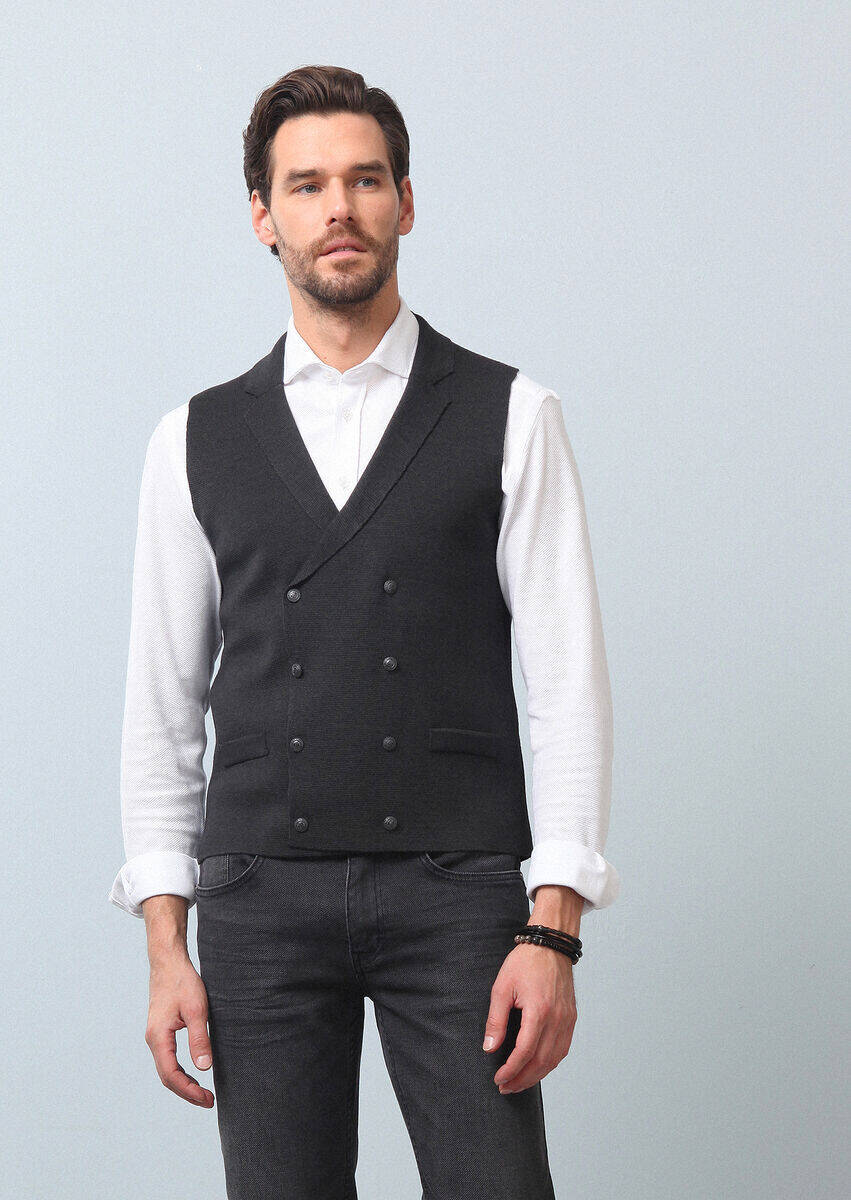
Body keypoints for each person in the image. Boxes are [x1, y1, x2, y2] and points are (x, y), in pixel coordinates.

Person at [108, 64, 620, 1200]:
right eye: (305, 185)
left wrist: (552, 930)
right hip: (257, 902)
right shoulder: (191, 439)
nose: (337, 208)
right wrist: (165, 946)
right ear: (263, 216)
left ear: (404, 202)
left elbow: (565, 689)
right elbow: (161, 707)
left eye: (364, 179)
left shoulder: (511, 414)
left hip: (459, 895)